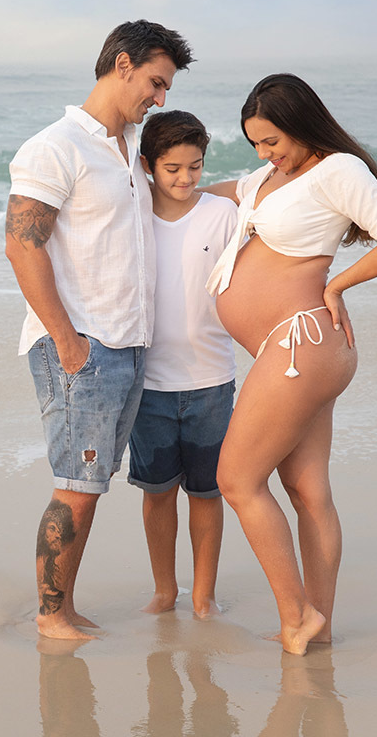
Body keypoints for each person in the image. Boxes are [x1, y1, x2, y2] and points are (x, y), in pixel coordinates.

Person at [202, 73, 377, 654]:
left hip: (300, 341)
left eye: (272, 139)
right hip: (298, 347)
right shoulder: (270, 175)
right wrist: (155, 176)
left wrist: (339, 285)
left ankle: (296, 617)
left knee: (236, 479)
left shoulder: (336, 170)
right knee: (305, 489)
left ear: (301, 123)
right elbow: (212, 191)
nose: (264, 152)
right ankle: (317, 624)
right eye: (254, 143)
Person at [5, 20, 195, 640]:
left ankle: (62, 608)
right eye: (155, 82)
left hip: (127, 344)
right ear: (121, 64)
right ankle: (51, 614)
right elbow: (21, 246)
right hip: (82, 346)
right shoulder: (56, 146)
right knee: (76, 486)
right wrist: (66, 341)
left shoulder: (130, 149)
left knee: (90, 484)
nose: (160, 98)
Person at [126, 111, 237, 619]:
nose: (186, 179)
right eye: (172, 169)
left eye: (195, 167)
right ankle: (165, 589)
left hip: (211, 378)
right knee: (156, 495)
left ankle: (204, 595)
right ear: (147, 165)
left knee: (207, 493)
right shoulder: (130, 214)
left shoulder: (222, 214)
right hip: (146, 382)